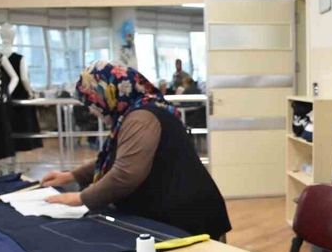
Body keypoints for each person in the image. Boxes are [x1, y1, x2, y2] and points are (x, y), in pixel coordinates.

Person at [42, 62, 231, 239]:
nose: (93, 111)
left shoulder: (140, 118)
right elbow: (119, 157)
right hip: (177, 214)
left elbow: (126, 173)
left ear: (108, 93)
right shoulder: (139, 111)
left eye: (91, 103)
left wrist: (81, 198)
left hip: (186, 219)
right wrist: (71, 176)